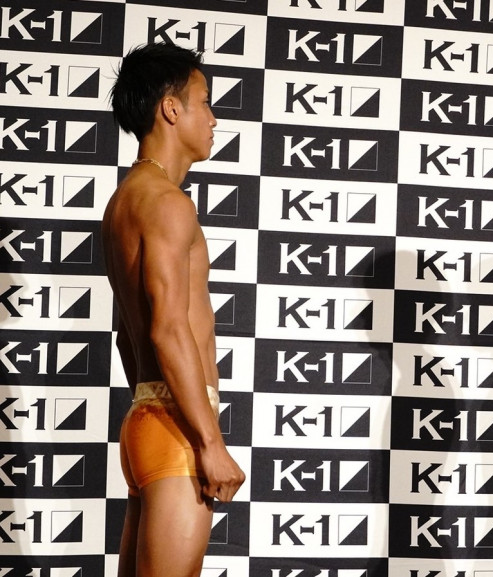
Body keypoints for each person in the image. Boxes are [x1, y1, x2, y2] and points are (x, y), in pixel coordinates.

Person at [103, 43, 246, 577]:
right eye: (204, 102)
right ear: (170, 108)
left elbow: (128, 334)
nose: (213, 119)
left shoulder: (124, 201)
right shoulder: (168, 203)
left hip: (148, 417)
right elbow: (166, 329)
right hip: (177, 428)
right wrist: (209, 441)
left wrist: (151, 412)